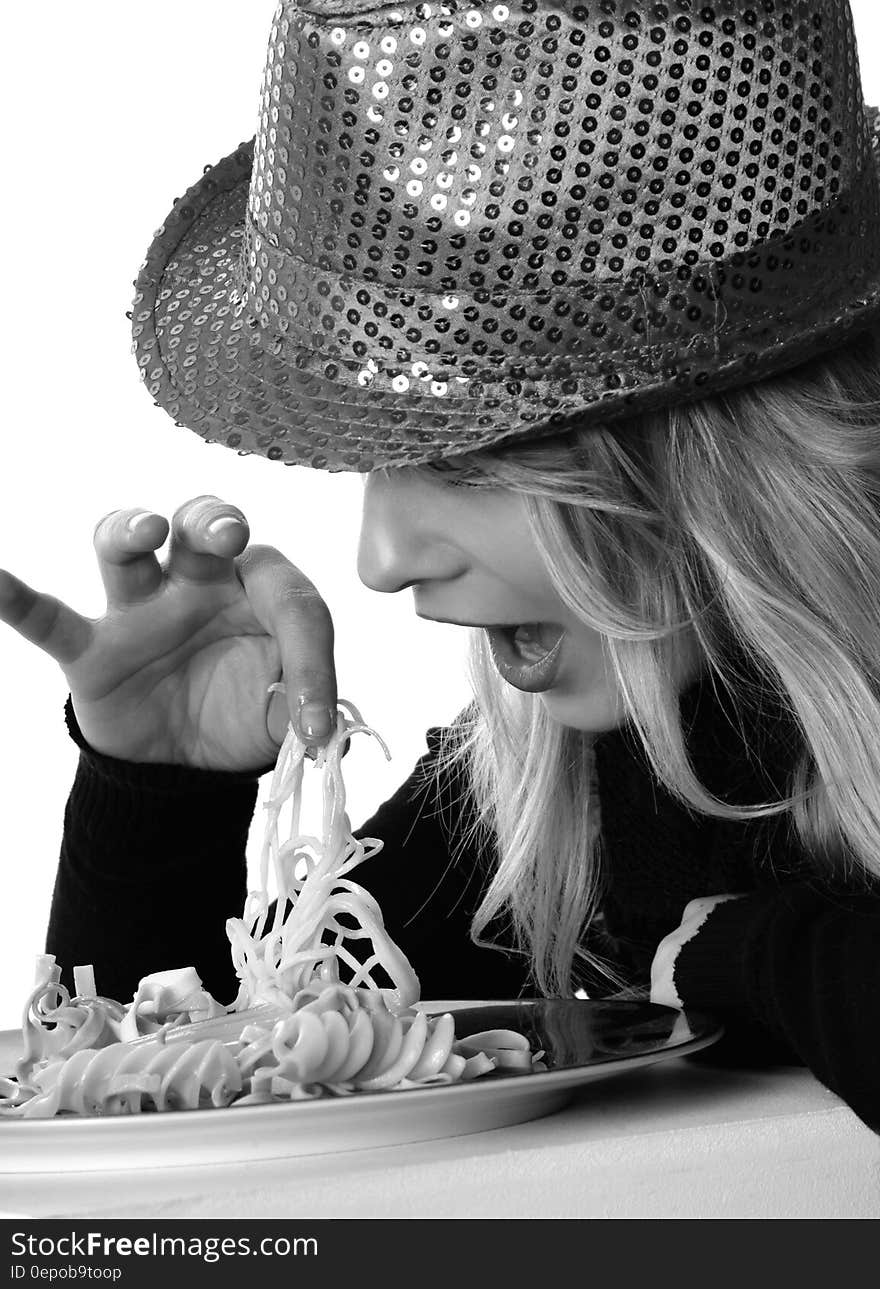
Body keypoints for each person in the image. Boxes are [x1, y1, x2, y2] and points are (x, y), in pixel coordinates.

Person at [1, 0, 880, 1133]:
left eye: (467, 460)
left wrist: (764, 952)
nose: (379, 561)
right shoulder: (541, 791)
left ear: (726, 461)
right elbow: (178, 1106)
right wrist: (159, 786)